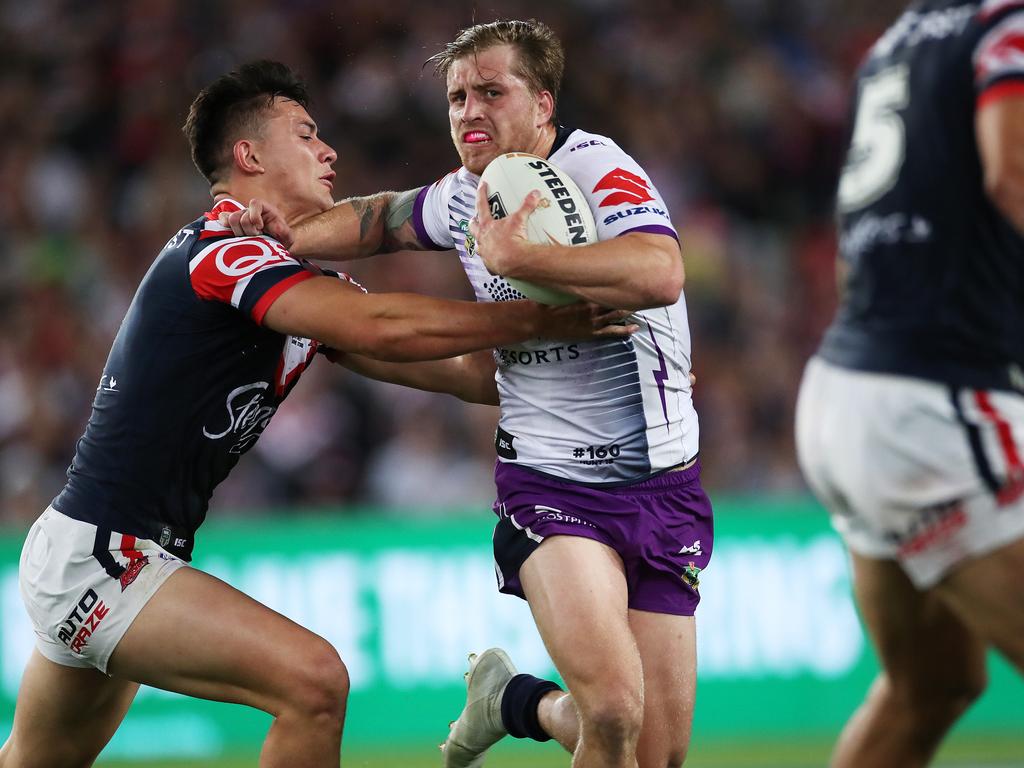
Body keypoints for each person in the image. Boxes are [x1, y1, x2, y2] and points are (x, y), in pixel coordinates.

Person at [0, 60, 632, 768]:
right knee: (315, 683)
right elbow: (386, 326)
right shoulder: (223, 253)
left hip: (110, 554)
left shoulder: (280, 271)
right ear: (249, 156)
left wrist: (606, 354)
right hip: (104, 558)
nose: (329, 151)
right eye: (306, 134)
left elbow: (463, 375)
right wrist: (531, 325)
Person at [225, 20, 710, 768]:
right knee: (614, 713)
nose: (468, 112)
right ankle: (532, 703)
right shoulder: (464, 197)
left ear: (543, 104)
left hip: (665, 486)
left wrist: (523, 253)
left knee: (658, 755)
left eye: (491, 92)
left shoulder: (596, 168)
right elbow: (379, 218)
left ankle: (514, 701)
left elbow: (661, 271)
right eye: (456, 97)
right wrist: (285, 233)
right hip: (550, 483)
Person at [795, 2, 1024, 766]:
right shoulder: (1007, 27)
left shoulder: (895, 45)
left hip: (848, 387)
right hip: (931, 407)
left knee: (933, 684)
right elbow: (1013, 172)